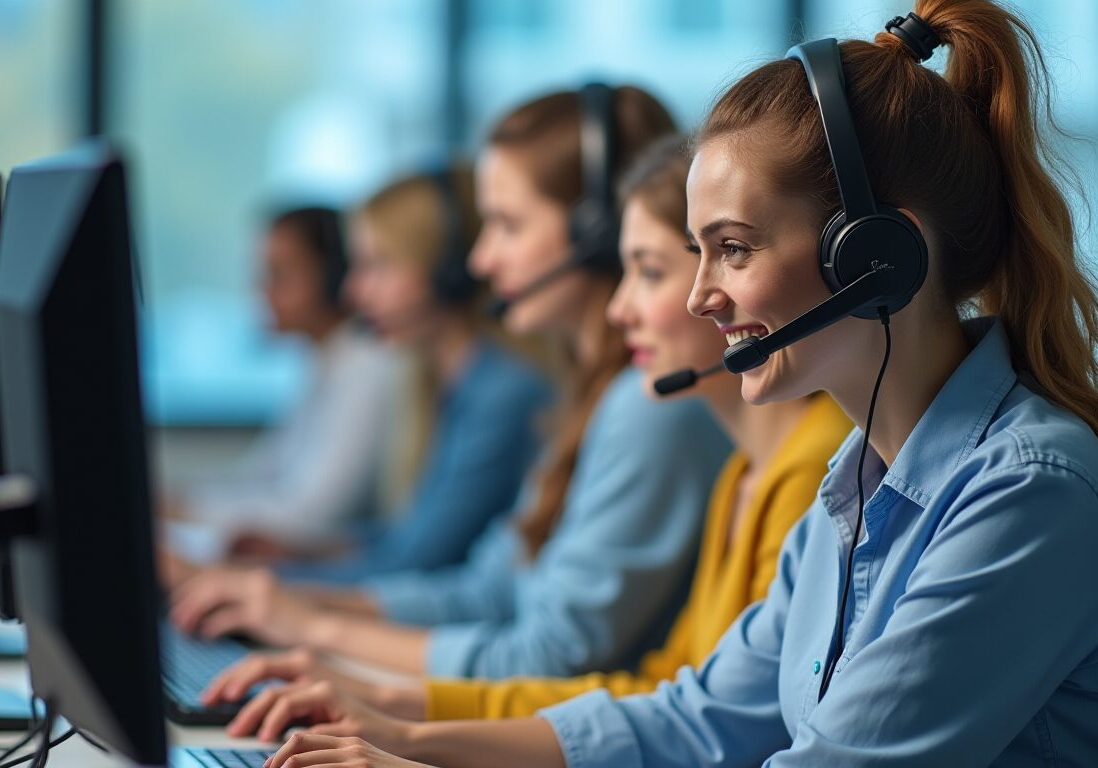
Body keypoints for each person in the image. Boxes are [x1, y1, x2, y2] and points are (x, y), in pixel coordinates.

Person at [255, 1, 1098, 766]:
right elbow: (695, 720)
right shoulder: (845, 500)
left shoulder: (1027, 491)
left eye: (733, 249)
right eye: (694, 254)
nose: (700, 297)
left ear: (877, 260)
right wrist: (408, 739)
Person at [203, 136, 852, 737]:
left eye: (650, 271)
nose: (482, 259)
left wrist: (396, 709)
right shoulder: (741, 470)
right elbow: (672, 693)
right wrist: (399, 714)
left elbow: (698, 719)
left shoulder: (742, 447)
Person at [169, 86, 731, 684]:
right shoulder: (584, 398)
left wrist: (313, 629)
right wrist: (292, 608)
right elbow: (487, 590)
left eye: (508, 226)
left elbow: (549, 654)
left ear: (596, 236)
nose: (481, 261)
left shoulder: (648, 405)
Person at [170, 167, 554, 586]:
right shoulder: (439, 384)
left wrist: (254, 580)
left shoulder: (501, 392)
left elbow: (417, 565)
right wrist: (308, 553)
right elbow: (406, 540)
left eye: (379, 266)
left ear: (448, 273)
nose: (353, 292)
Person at [161, 206, 404, 562]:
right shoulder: (324, 361)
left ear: (332, 277)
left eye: (279, 275)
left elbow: (312, 514)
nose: (262, 290)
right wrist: (183, 501)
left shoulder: (368, 364)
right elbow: (265, 472)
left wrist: (191, 511)